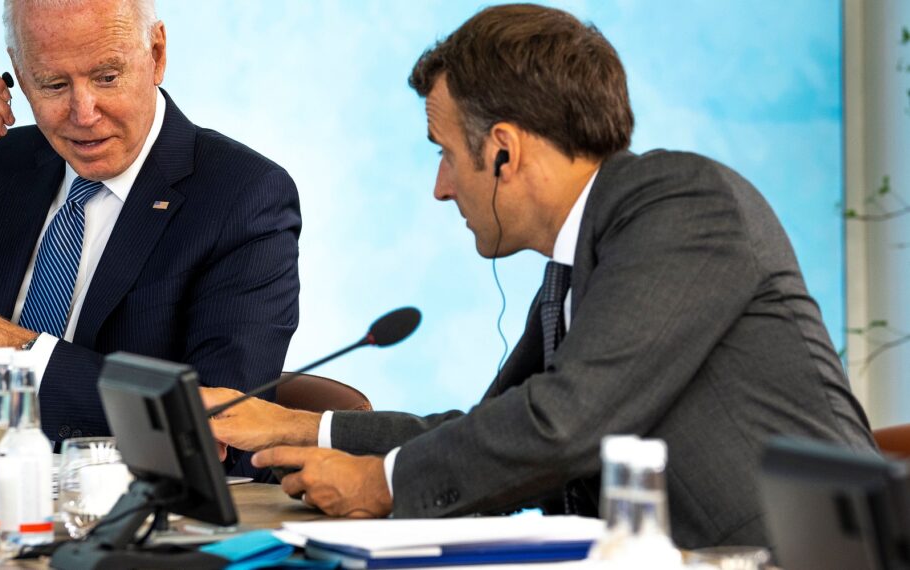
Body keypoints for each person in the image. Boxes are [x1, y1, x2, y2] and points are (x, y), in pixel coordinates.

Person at [202, 3, 876, 548]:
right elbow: (497, 428)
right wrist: (299, 428)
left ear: (503, 151)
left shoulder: (686, 204)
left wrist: (382, 482)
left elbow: (562, 424)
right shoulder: (578, 260)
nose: (441, 189)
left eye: (444, 155)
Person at [0, 0, 300, 456]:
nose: (83, 114)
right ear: (19, 75)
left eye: (106, 77)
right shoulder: (0, 167)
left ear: (157, 54)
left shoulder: (244, 197)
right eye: (54, 85)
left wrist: (19, 351)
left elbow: (220, 425)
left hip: (134, 521)